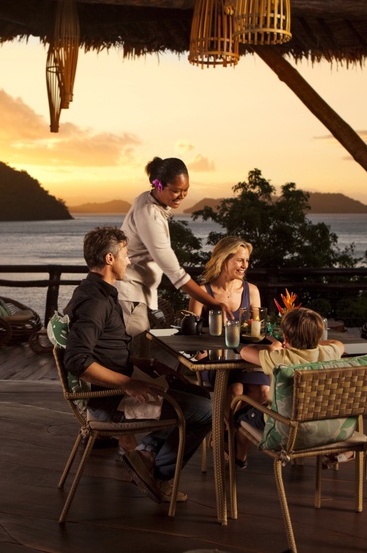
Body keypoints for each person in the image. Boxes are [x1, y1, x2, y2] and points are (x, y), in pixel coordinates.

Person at [62, 226, 212, 504]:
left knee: (198, 394)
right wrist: (129, 383)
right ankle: (156, 474)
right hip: (109, 402)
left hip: (116, 390)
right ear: (110, 259)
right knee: (205, 410)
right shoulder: (95, 301)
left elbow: (106, 351)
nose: (129, 261)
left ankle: (145, 456)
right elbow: (77, 360)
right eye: (125, 254)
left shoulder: (99, 292)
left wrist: (147, 363)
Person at [117, 157, 227, 349]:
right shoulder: (149, 213)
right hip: (131, 294)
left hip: (140, 294)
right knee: (137, 355)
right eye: (175, 191)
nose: (181, 196)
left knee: (144, 353)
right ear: (158, 185)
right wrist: (215, 304)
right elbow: (175, 273)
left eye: (185, 190)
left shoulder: (148, 200)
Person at [236, 307, 346, 468]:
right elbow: (338, 344)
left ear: (286, 337)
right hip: (321, 424)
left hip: (283, 427)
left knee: (240, 413)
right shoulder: (330, 353)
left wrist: (274, 347)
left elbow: (244, 352)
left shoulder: (280, 357)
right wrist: (315, 343)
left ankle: (240, 458)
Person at [188, 236, 270, 431]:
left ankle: (225, 432)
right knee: (235, 391)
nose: (245, 265)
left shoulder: (252, 291)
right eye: (240, 260)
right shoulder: (201, 292)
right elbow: (191, 336)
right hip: (216, 364)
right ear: (224, 259)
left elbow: (257, 332)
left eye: (247, 260)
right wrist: (202, 357)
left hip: (246, 362)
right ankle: (228, 437)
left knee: (264, 393)